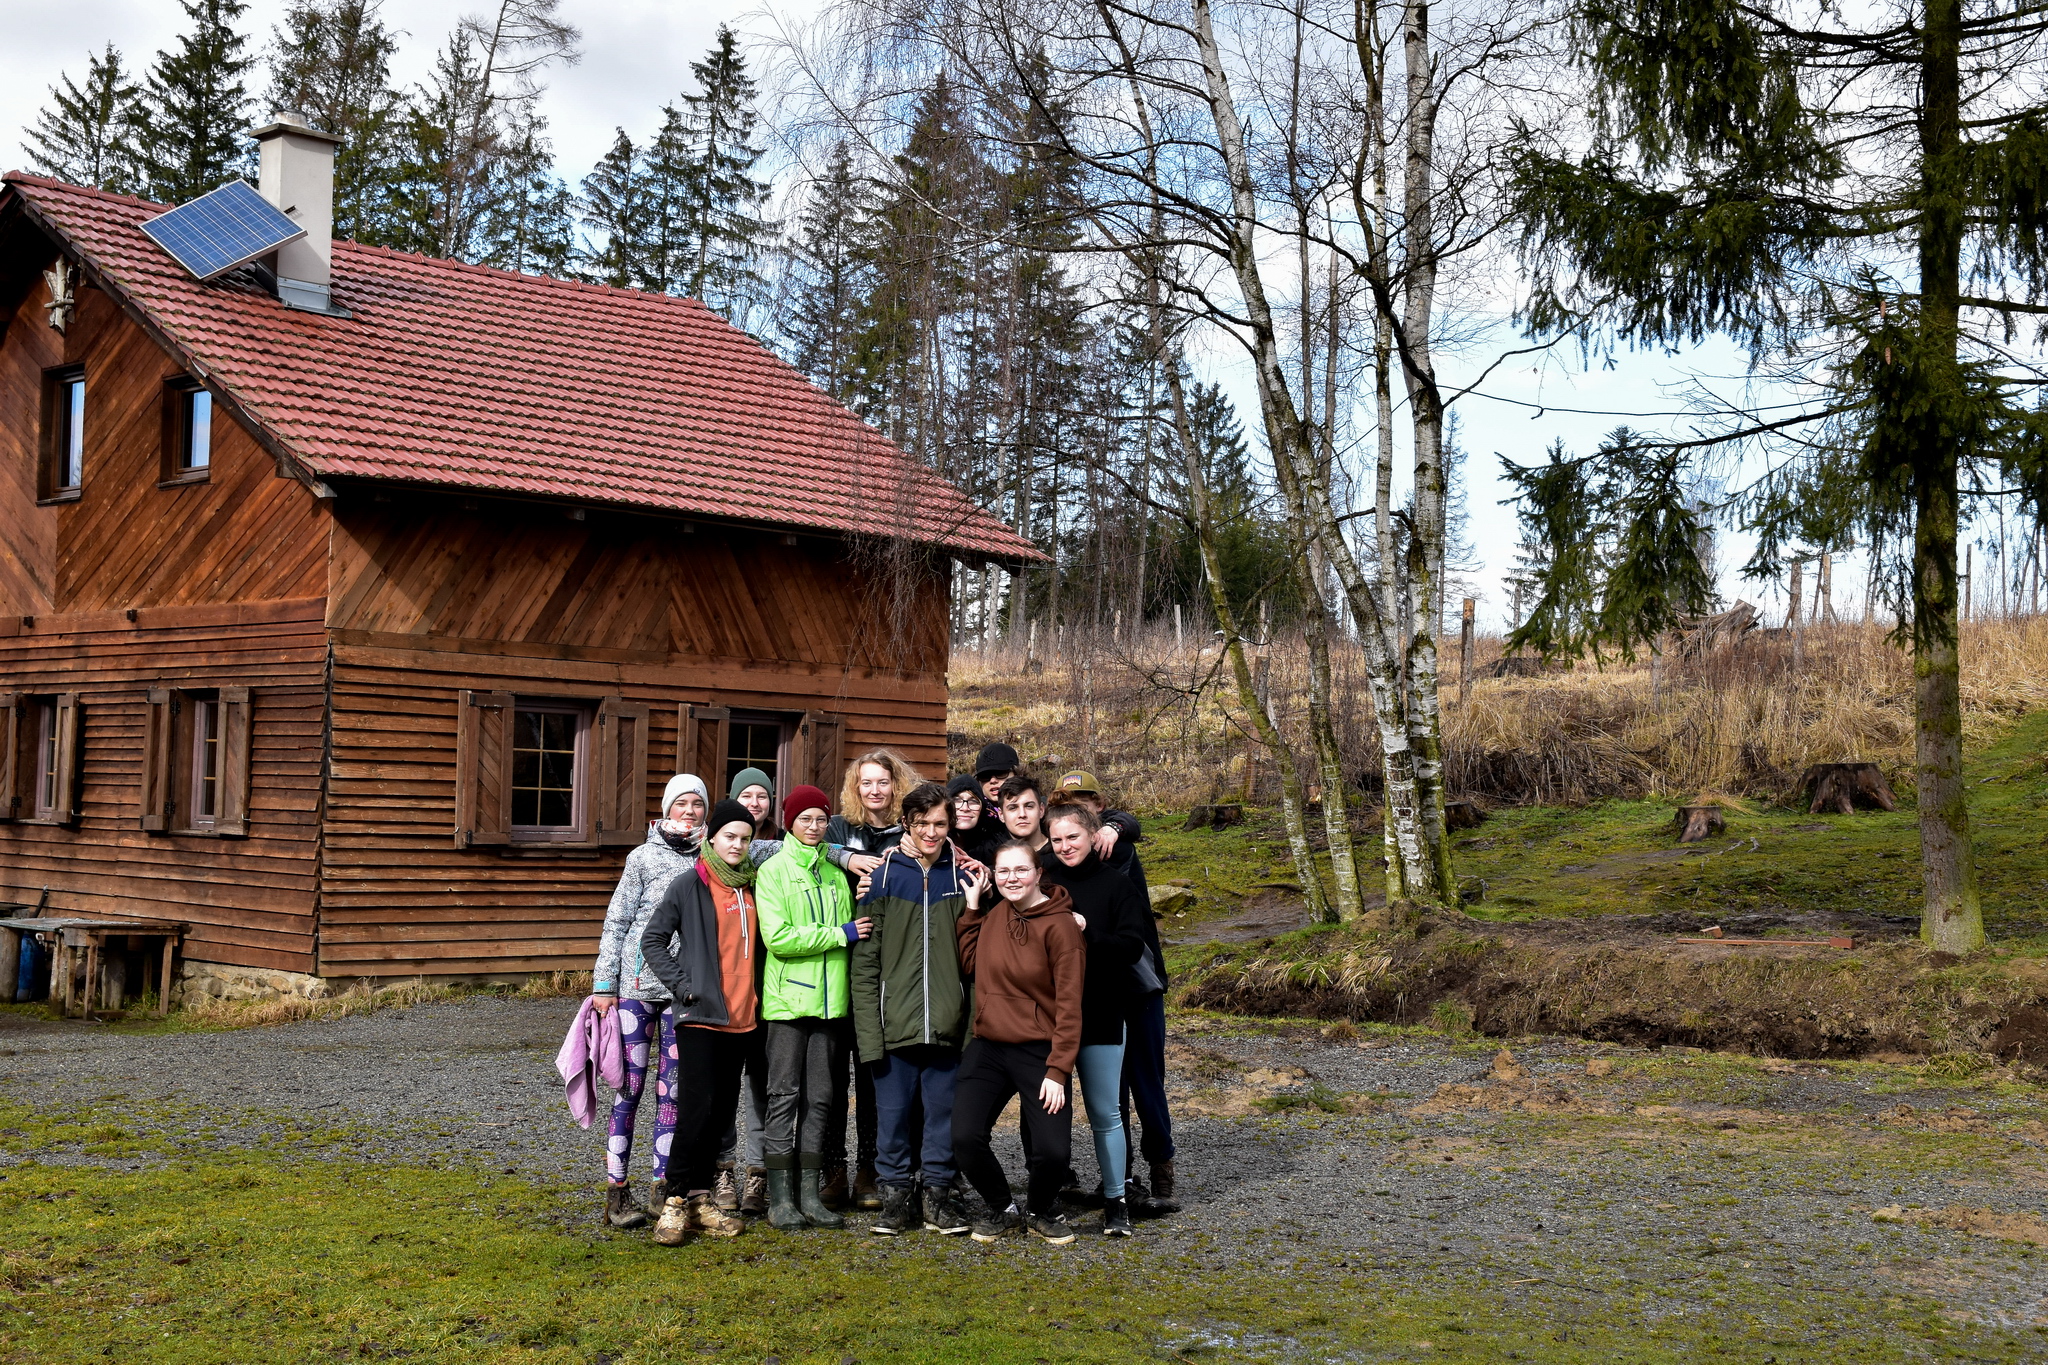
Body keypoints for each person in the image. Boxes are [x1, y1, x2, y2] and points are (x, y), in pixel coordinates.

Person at [850, 780, 974, 1237]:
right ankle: (896, 1199)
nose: (931, 832)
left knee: (943, 1117)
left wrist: (969, 1028)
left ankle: (938, 1198)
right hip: (893, 1025)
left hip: (947, 1024)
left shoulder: (963, 878)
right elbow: (865, 964)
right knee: (893, 1118)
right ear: (906, 823)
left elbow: (976, 962)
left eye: (939, 824)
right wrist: (870, 1034)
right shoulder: (882, 878)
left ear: (950, 824)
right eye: (922, 824)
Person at [638, 799, 764, 1245]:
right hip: (701, 1016)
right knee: (696, 1111)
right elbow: (653, 940)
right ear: (712, 838)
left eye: (745, 838)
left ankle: (700, 1199)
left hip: (743, 1017)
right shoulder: (690, 884)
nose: (737, 845)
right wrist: (682, 984)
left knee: (721, 1115)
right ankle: (673, 1202)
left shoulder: (752, 885)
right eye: (729, 836)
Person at [1049, 774, 1177, 1209]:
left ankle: (1160, 1167)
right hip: (1092, 992)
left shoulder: (1116, 848)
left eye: (1085, 803)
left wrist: (1116, 827)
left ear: (1097, 812)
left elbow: (1129, 938)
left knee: (1146, 1080)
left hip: (1137, 984)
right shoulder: (1050, 863)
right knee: (1112, 1090)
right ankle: (1121, 1181)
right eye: (1066, 802)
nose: (1078, 809)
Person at [951, 839, 1088, 1245]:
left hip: (1039, 1050)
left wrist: (1058, 1070)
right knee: (964, 1137)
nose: (1012, 878)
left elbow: (1070, 1006)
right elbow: (971, 964)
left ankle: (1041, 1210)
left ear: (1038, 873)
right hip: (990, 1046)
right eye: (1004, 871)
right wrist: (972, 910)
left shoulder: (1062, 928)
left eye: (1021, 870)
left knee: (1053, 1153)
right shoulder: (996, 914)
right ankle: (1003, 1209)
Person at [586, 773, 707, 1229]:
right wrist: (604, 985)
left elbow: (773, 846)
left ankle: (663, 1187)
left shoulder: (713, 857)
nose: (689, 812)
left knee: (672, 1093)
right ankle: (617, 1191)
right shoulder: (642, 857)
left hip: (684, 993)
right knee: (629, 1089)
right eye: (682, 803)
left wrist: (844, 852)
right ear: (667, 808)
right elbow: (617, 921)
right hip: (636, 990)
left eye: (697, 804)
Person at [755, 783, 871, 1230]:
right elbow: (778, 938)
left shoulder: (835, 873)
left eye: (822, 819)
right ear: (790, 822)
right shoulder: (774, 871)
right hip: (788, 1003)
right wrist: (840, 934)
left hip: (831, 1003)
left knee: (821, 1099)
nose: (815, 826)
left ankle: (809, 1195)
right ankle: (780, 1198)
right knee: (784, 1097)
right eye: (805, 819)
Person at [1042, 805, 1150, 1236]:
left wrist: (1087, 930)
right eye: (1057, 840)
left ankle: (1116, 1201)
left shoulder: (1117, 885)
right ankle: (1045, 1198)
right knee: (1048, 1113)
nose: (1065, 846)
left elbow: (1132, 947)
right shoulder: (1043, 880)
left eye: (1073, 837)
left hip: (1102, 1011)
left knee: (1106, 1112)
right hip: (1049, 1016)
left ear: (1092, 835)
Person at [824, 748, 919, 1209]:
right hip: (833, 960)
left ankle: (870, 1168)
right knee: (829, 1079)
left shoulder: (909, 831)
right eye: (866, 782)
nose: (875, 790)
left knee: (871, 1073)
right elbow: (803, 845)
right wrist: (847, 860)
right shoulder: (838, 828)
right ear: (855, 788)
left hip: (885, 965)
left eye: (883, 781)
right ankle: (832, 1168)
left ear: (896, 784)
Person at [716, 766, 779, 1215]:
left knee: (762, 1087)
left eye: (762, 796)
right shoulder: (718, 858)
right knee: (723, 1087)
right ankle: (722, 1169)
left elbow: (817, 848)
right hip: (725, 992)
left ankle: (758, 1173)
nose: (755, 803)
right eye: (747, 795)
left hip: (766, 991)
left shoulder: (779, 851)